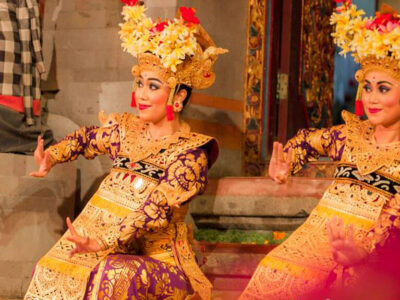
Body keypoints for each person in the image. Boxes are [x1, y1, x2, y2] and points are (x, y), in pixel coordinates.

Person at [24, 2, 227, 299]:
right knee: (53, 264)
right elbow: (87, 138)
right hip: (114, 249)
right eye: (139, 84)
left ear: (178, 97)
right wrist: (52, 156)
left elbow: (151, 212)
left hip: (162, 264)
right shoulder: (126, 131)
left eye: (153, 86)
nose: (141, 95)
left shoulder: (191, 155)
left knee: (115, 272)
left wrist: (102, 241)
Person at [240, 2, 400, 299]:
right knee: (272, 270)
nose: (372, 98)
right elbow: (305, 142)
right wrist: (286, 162)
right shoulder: (350, 135)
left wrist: (362, 253)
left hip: (369, 260)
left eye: (384, 88)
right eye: (368, 87)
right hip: (314, 242)